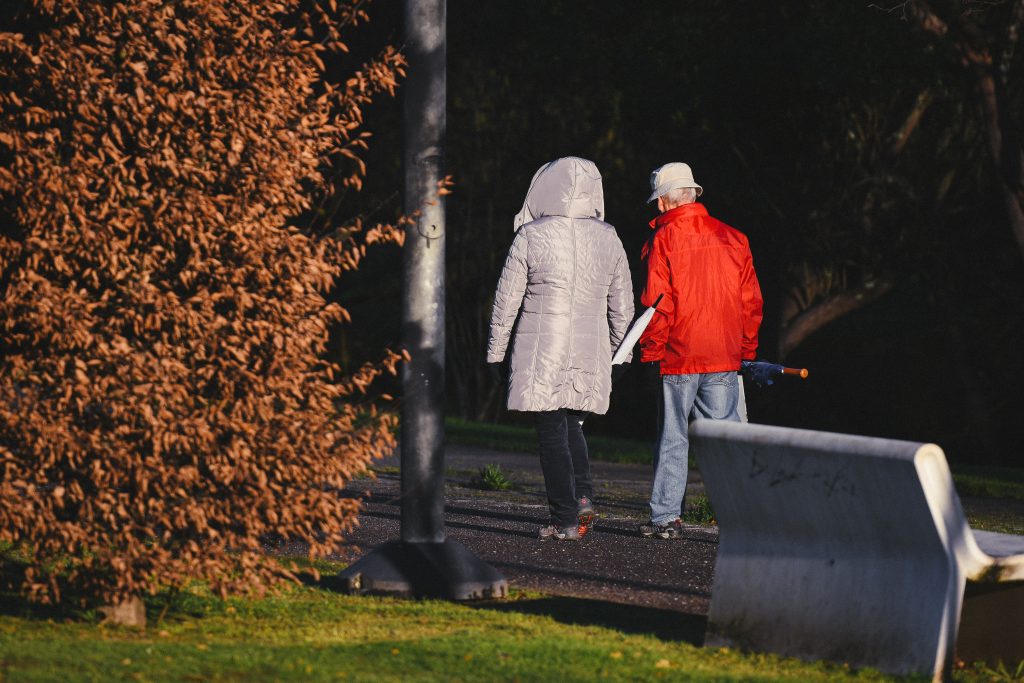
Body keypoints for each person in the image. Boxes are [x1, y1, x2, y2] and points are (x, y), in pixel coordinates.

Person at [486, 157, 634, 541]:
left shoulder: (531, 235)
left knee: (551, 428)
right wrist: (621, 353)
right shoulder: (609, 237)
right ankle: (583, 495)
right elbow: (622, 306)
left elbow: (506, 302)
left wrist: (496, 353)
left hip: (541, 346)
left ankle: (564, 518)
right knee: (572, 422)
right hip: (591, 347)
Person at [638, 162, 763, 539]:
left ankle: (665, 518)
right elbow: (750, 302)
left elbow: (658, 304)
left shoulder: (663, 240)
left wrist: (651, 352)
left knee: (673, 436)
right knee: (727, 439)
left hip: (679, 354)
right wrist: (746, 350)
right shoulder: (734, 237)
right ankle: (741, 515)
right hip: (723, 354)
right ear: (692, 194)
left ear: (663, 202)